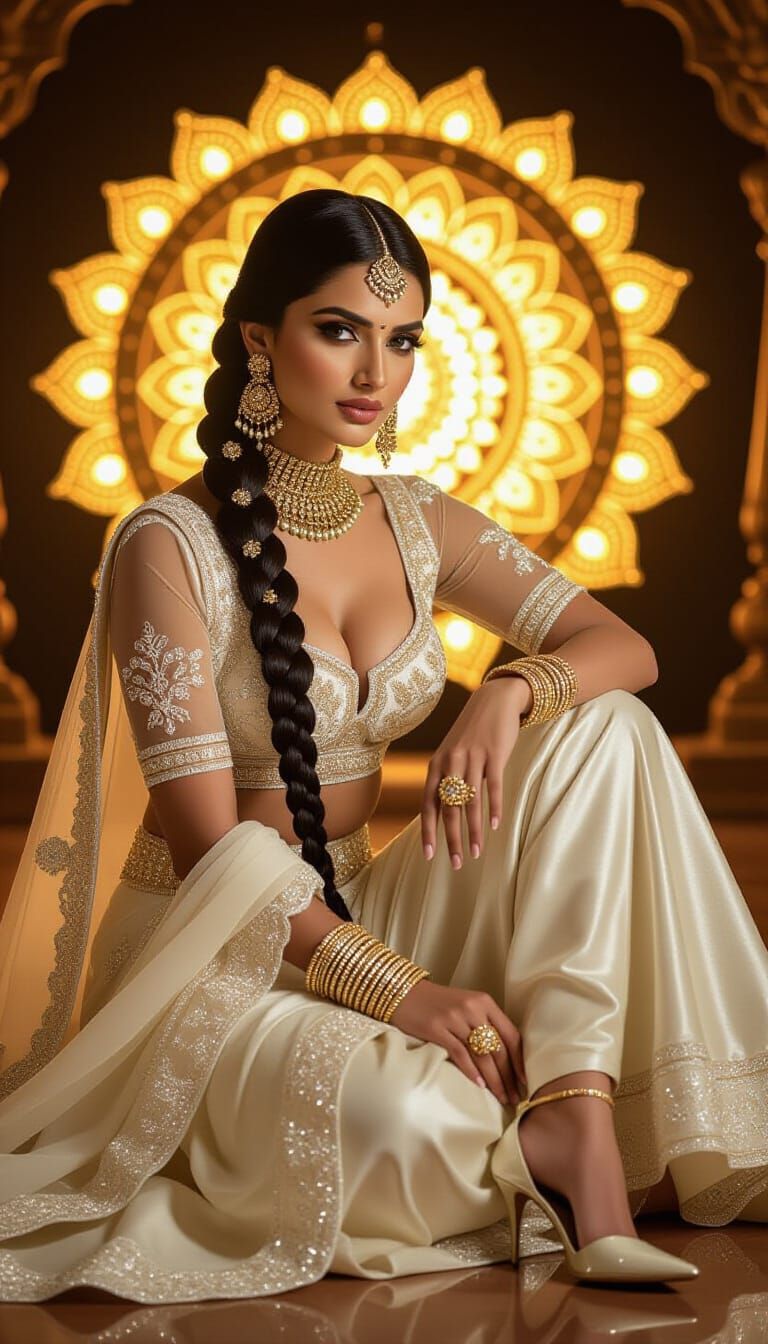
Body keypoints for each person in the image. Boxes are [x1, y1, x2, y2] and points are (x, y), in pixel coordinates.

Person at [0, 188, 765, 1304]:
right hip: (216, 948)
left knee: (607, 724)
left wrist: (508, 690)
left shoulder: (415, 518)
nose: (376, 373)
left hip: (368, 897)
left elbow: (626, 649)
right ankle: (534, 1134)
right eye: (340, 330)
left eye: (402, 340)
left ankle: (576, 1115)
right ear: (261, 339)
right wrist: (404, 993)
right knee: (412, 1118)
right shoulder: (169, 545)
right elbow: (212, 855)